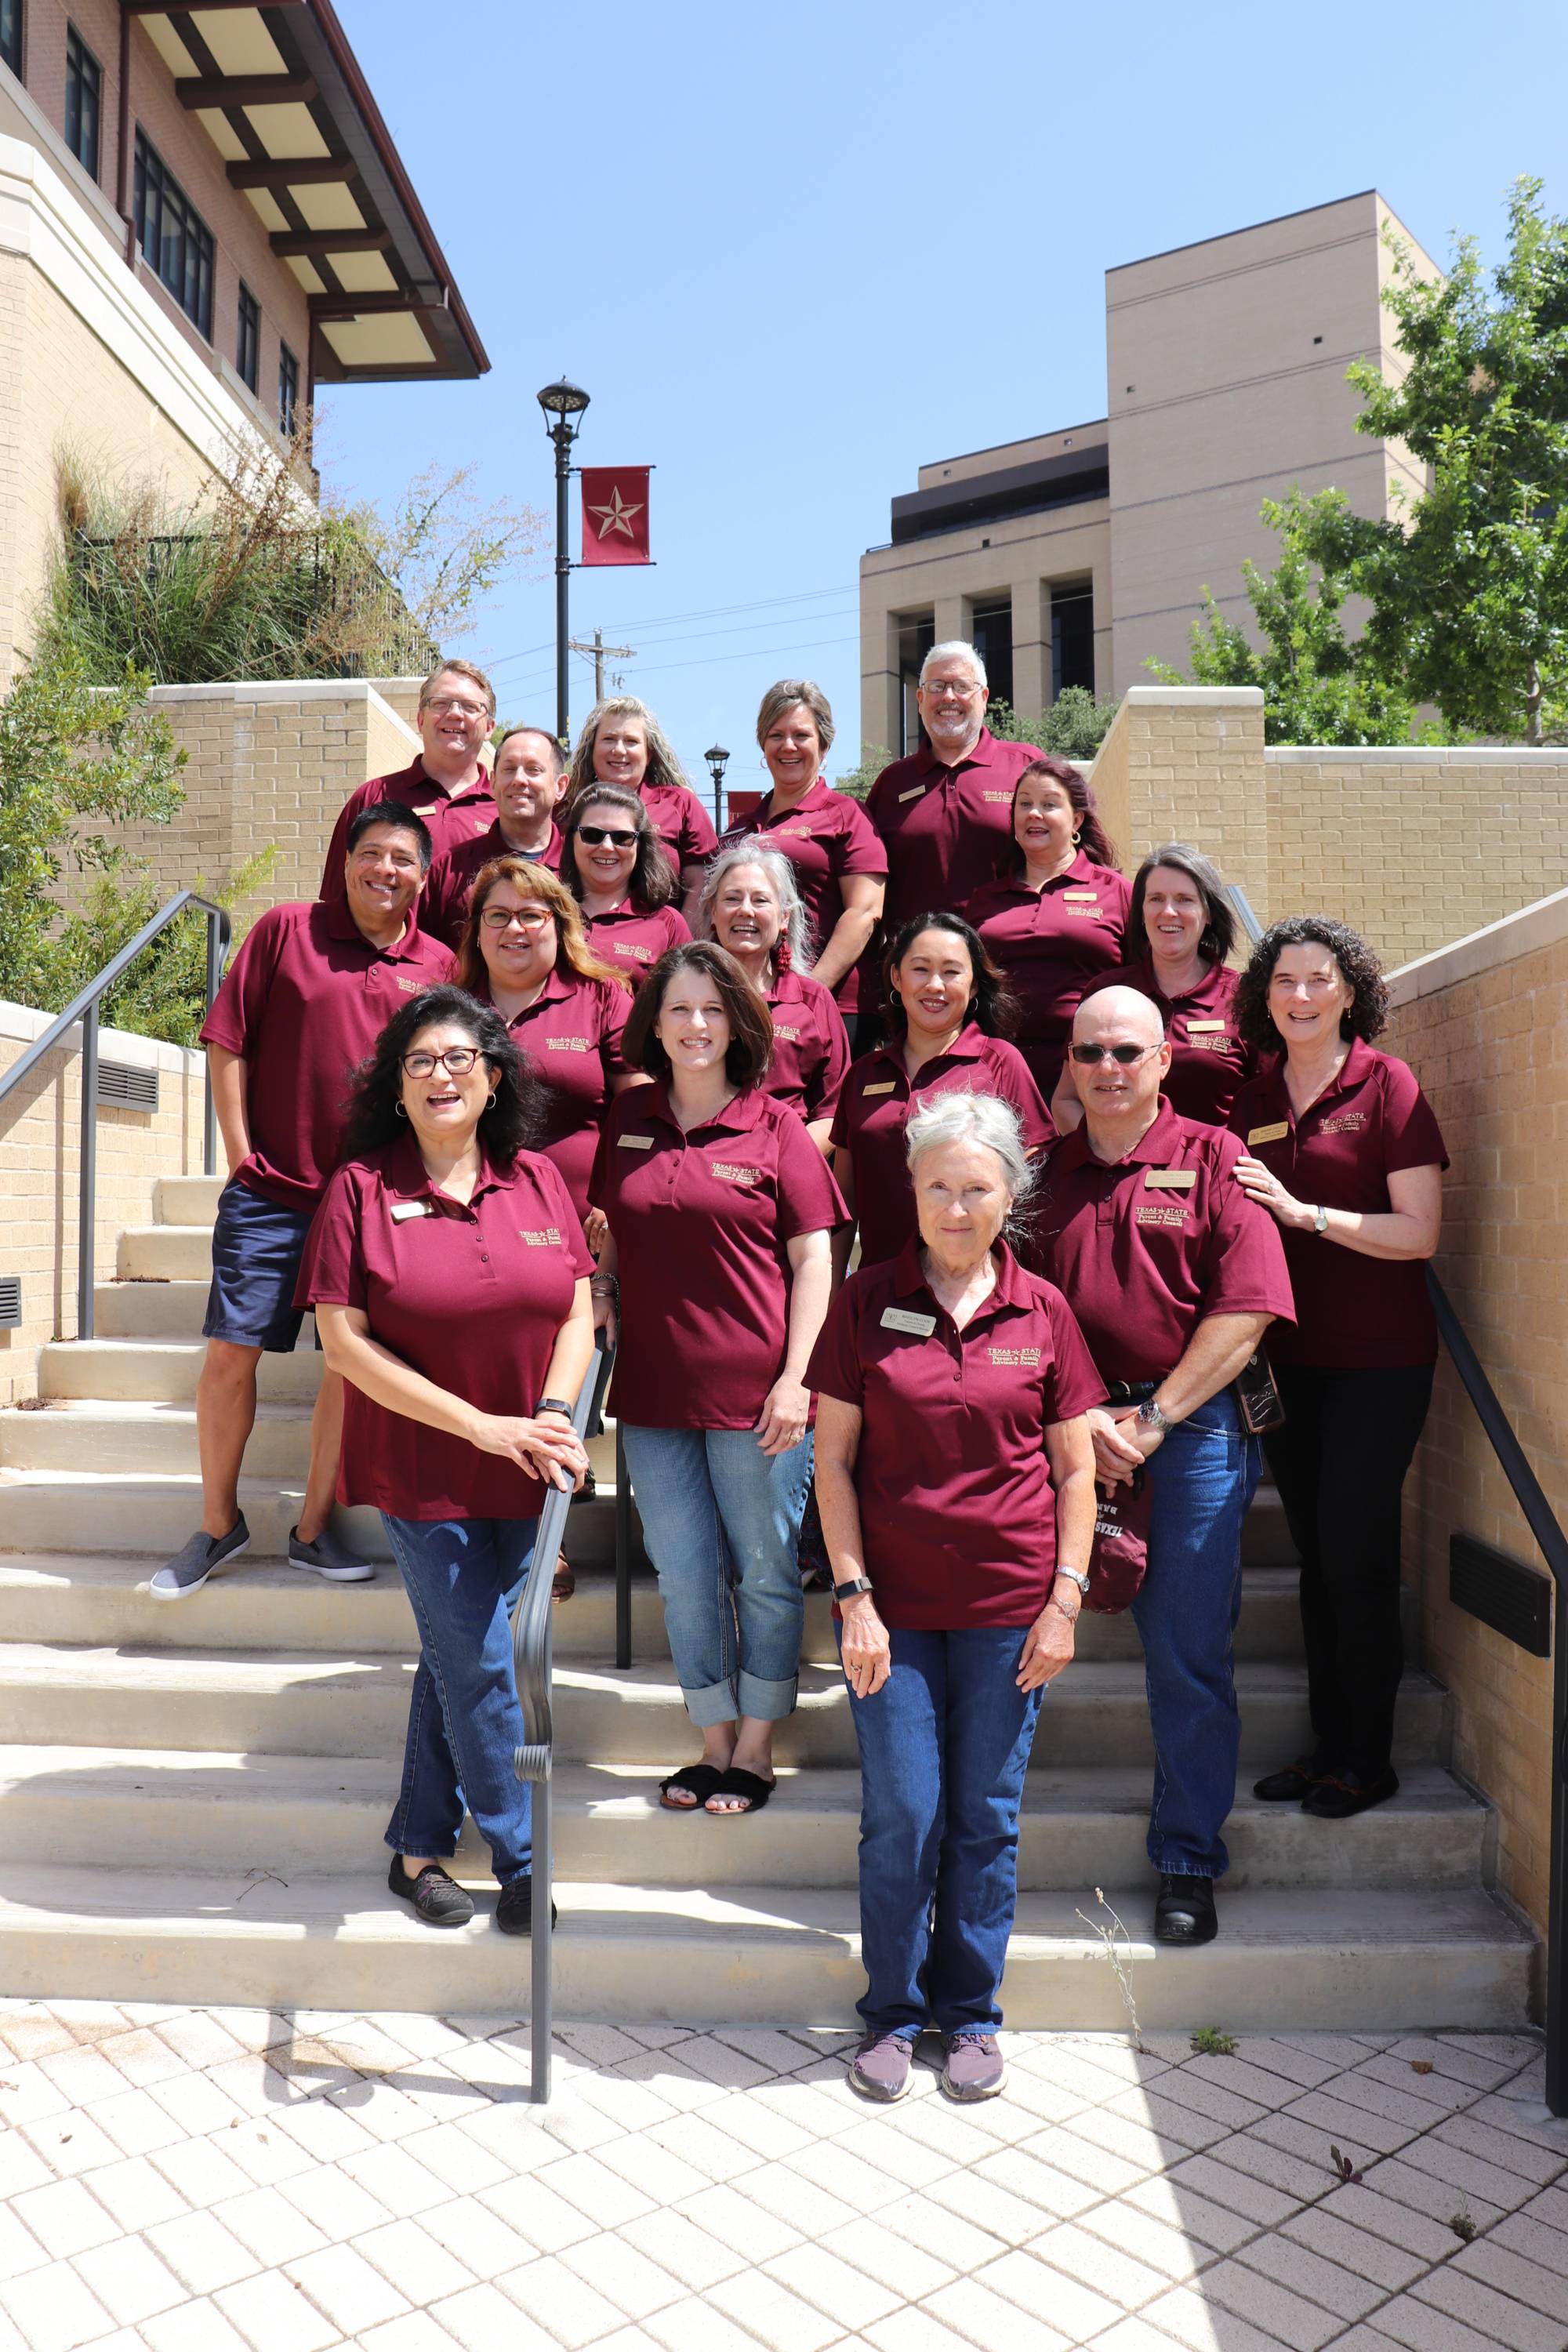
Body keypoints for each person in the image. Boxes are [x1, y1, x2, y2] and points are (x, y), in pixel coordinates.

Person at [811, 1092, 1100, 2105]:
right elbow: (833, 1464)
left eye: (977, 1186)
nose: (956, 1203)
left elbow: (1074, 1474)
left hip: (1009, 1615)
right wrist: (852, 1596)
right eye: (938, 1185)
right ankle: (893, 2011)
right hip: (888, 1612)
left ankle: (970, 2014)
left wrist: (1065, 1599)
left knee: (984, 1815)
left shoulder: (1045, 1312)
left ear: (1010, 1191)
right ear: (914, 1191)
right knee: (904, 1811)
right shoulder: (862, 1305)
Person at [299, 986, 593, 1931]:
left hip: (528, 1464)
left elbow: (579, 1312)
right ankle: (523, 1862)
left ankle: (417, 1847)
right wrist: (481, 1426)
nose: (440, 1075)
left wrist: (547, 1415)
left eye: (460, 1058)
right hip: (422, 1472)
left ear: (493, 1075)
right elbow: (343, 1346)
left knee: (458, 1654)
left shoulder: (539, 1178)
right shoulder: (360, 1189)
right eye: (419, 1061)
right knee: (477, 1663)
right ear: (394, 1087)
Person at [1028, 986, 1294, 1944]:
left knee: (1186, 1653)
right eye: (1089, 1051)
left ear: (1162, 1062)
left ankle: (1186, 1856)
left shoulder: (1215, 1159)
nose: (1106, 1068)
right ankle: (977, 1841)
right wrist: (1081, 1418)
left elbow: (1249, 1307)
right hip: (1061, 1434)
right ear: (1068, 1061)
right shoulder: (1037, 1174)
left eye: (1126, 1052)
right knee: (1003, 1636)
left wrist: (1150, 1417)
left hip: (1187, 1433)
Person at [154, 807, 452, 1600]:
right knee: (228, 1356)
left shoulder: (439, 966)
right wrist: (240, 1151)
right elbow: (229, 1040)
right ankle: (219, 1524)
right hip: (274, 1192)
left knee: (349, 1371)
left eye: (402, 859)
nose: (384, 870)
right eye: (371, 854)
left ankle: (313, 1529)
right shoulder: (286, 930)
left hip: (375, 1201)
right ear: (346, 860)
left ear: (424, 878)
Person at [590, 942, 842, 1815]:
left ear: (737, 1022)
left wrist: (797, 1378)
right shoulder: (625, 1124)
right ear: (652, 1025)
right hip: (655, 1394)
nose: (695, 1025)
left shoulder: (775, 1127)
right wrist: (601, 1288)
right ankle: (710, 1737)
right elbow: (611, 1231)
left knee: (765, 1571)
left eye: (710, 1009)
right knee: (685, 1572)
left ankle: (758, 1741)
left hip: (758, 1398)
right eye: (677, 1010)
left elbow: (814, 1258)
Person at [1229, 916, 1446, 1821]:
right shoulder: (1255, 1091)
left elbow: (1418, 1233)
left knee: (1354, 1555)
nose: (1301, 997)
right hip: (1289, 1364)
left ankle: (1368, 1757)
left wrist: (1304, 1214)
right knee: (1318, 1559)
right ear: (1264, 994)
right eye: (1284, 981)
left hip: (1376, 1363)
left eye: (1319, 980)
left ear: (1349, 991)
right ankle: (1327, 1748)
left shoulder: (1385, 1085)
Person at [830, 913, 1053, 1267]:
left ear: (974, 985)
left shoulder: (1000, 1064)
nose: (935, 985)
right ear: (896, 977)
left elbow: (1030, 1185)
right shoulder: (863, 1076)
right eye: (921, 969)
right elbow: (843, 1205)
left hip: (972, 1288)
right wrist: (831, 1299)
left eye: (951, 971)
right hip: (881, 1293)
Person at [715, 680, 886, 1044]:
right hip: (751, 1004)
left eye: (801, 735)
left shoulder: (847, 815)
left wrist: (810, 992)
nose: (788, 746)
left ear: (824, 744)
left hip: (838, 1006)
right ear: (763, 743)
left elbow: (866, 911)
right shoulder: (738, 830)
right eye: (776, 735)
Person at [1055, 843, 1256, 1132]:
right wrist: (1111, 1159)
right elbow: (1066, 1100)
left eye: (1184, 900)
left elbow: (1269, 1107)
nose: (1169, 912)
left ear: (1209, 913)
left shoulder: (1244, 998)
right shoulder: (1106, 992)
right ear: (1141, 911)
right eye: (1156, 899)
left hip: (1212, 1172)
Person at [964, 756, 1130, 1101]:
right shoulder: (984, 898)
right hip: (998, 1070)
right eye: (1024, 804)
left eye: (1049, 804)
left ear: (1076, 821)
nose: (1034, 814)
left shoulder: (1116, 890)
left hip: (1093, 1067)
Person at [863, 642, 1042, 943]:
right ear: (920, 699)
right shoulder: (892, 784)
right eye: (936, 687)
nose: (948, 697)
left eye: (961, 686)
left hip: (1010, 959)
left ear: (984, 698)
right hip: (918, 971)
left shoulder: (1027, 767)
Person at [696, 844, 849, 1153]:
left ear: (784, 917)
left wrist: (780, 1162)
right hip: (699, 1160)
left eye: (761, 900)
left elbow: (834, 1109)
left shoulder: (813, 1001)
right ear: (714, 913)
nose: (745, 910)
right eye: (732, 899)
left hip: (786, 1165)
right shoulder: (687, 993)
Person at [319, 662, 497, 899]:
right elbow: (335, 899)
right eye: (441, 703)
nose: (454, 713)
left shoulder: (505, 810)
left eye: (470, 707)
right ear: (421, 720)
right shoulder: (374, 796)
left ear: (489, 728)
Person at [420, 726, 568, 948]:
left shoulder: (580, 867)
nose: (519, 779)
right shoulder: (450, 868)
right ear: (493, 782)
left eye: (533, 770)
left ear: (560, 786)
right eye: (508, 769)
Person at [567, 694, 717, 899]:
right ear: (591, 750)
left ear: (649, 754)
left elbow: (703, 879)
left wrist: (682, 930)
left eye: (631, 741)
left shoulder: (680, 804)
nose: (619, 750)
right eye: (609, 739)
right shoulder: (568, 809)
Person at [561, 785, 691, 988]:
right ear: (572, 839)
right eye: (592, 835)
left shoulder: (668, 924)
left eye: (622, 838)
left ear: (640, 845)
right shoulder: (547, 910)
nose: (606, 847)